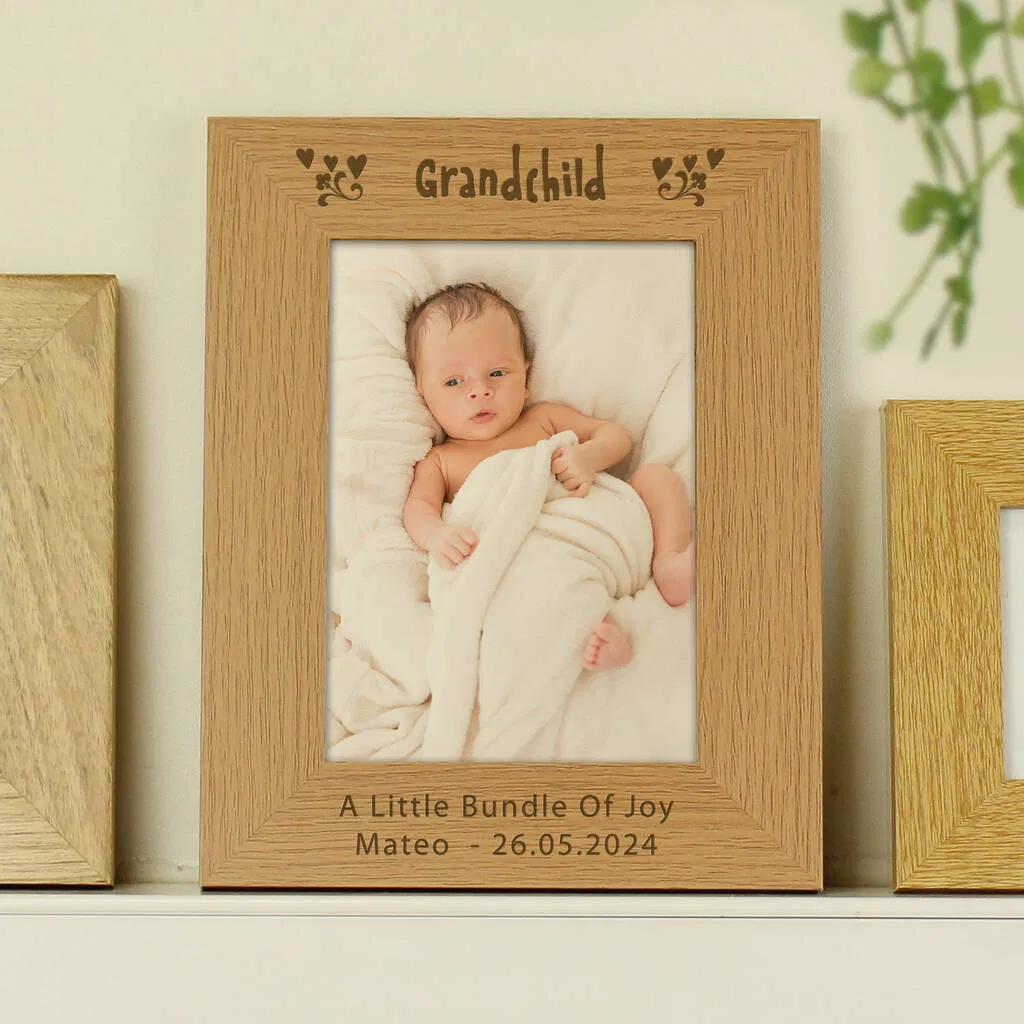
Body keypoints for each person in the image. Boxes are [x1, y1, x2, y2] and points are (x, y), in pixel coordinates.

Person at [401, 282, 695, 671]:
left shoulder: (544, 418)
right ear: (423, 393)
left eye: (497, 372)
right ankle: (598, 632)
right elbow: (418, 509)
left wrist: (589, 456)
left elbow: (615, 436)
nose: (481, 391)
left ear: (526, 375)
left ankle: (669, 564)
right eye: (455, 382)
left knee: (658, 478)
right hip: (534, 556)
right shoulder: (440, 461)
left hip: (603, 530)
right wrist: (438, 536)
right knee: (528, 585)